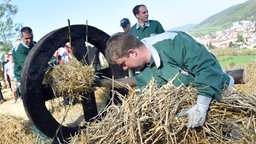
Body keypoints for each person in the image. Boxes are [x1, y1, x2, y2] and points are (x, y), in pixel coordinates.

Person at [105, 32, 234, 128]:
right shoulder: (140, 73)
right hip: (186, 113)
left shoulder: (174, 43)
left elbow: (207, 68)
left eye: (123, 63)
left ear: (132, 53)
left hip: (217, 98)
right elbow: (152, 100)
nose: (125, 68)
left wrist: (201, 106)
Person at [13, 27, 36, 94]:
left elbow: (45, 53)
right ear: (21, 37)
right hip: (23, 78)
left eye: (31, 38)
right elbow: (26, 65)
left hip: (35, 75)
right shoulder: (18, 50)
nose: (29, 40)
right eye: (26, 38)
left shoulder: (35, 44)